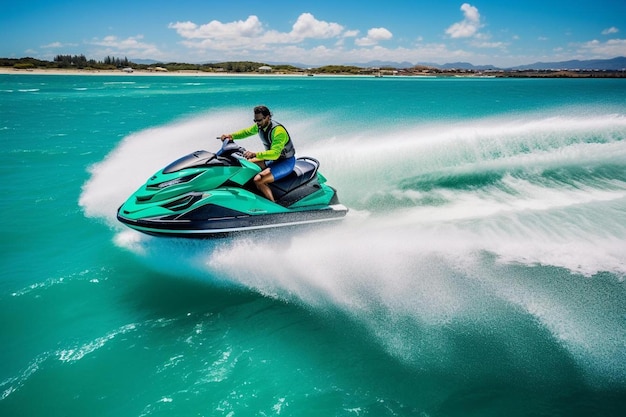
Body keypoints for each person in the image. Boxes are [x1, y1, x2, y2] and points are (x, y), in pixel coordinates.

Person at [220, 105, 296, 202]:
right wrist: (230, 136)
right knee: (246, 165)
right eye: (255, 121)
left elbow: (275, 154)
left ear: (268, 117)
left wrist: (255, 154)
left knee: (259, 180)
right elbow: (246, 132)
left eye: (259, 120)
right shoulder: (261, 125)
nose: (257, 123)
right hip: (272, 159)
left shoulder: (278, 131)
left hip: (285, 162)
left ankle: (274, 206)